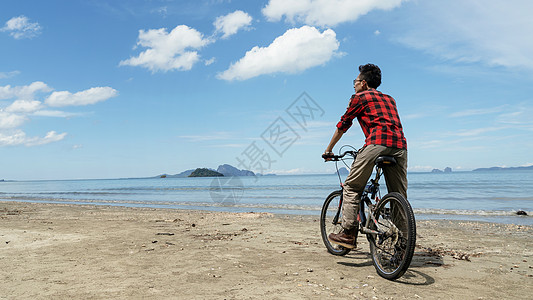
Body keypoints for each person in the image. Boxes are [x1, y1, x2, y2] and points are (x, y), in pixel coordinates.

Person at [323, 63, 408, 249]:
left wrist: (328, 149)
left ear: (363, 83)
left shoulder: (359, 97)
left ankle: (348, 234)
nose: (354, 85)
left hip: (376, 143)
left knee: (352, 187)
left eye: (355, 81)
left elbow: (343, 124)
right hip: (400, 147)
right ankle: (403, 246)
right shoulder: (390, 99)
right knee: (399, 195)